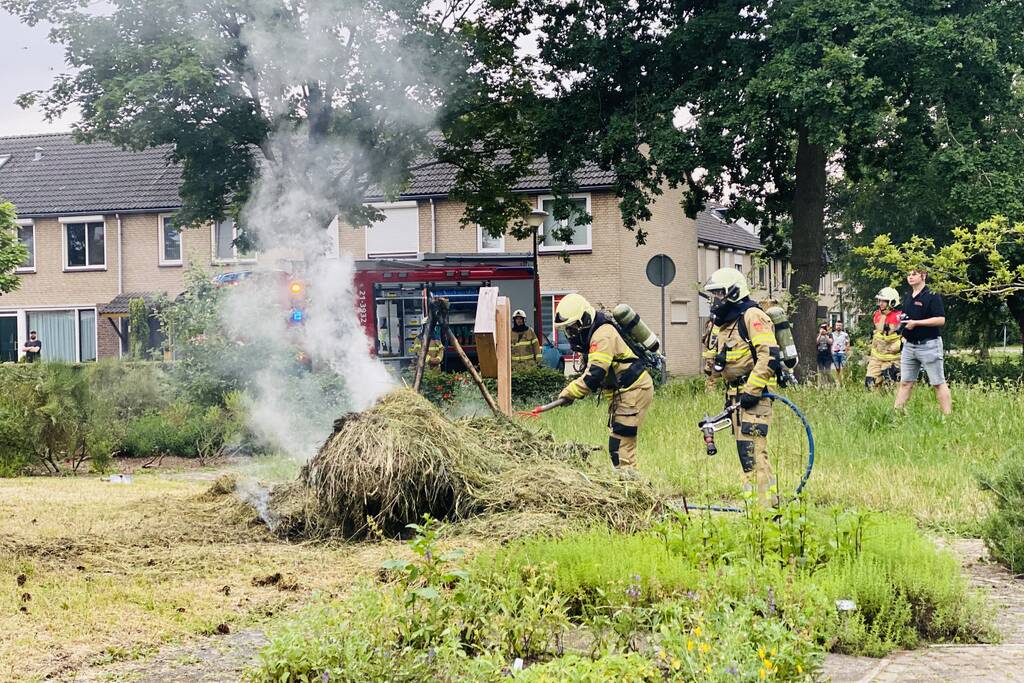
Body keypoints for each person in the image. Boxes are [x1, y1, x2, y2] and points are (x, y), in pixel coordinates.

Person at [553, 293, 655, 472]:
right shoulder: (594, 333)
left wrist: (570, 392)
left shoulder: (602, 336)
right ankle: (625, 482)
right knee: (617, 442)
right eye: (567, 330)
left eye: (572, 328)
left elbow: (595, 374)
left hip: (633, 390)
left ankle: (631, 486)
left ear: (584, 319)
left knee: (622, 444)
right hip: (624, 393)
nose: (571, 334)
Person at [704, 268, 780, 506]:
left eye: (718, 293)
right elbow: (716, 360)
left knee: (753, 453)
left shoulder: (752, 316)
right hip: (736, 396)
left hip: (754, 397)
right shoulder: (726, 322)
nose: (714, 299)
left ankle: (765, 509)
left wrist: (752, 390)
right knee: (744, 453)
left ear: (733, 293)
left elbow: (769, 356)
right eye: (713, 294)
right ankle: (757, 506)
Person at [895, 268, 951, 414]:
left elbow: (941, 319)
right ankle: (896, 415)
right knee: (905, 382)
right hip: (909, 346)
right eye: (908, 274)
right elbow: (907, 319)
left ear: (923, 276)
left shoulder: (932, 295)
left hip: (929, 344)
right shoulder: (908, 297)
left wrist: (917, 323)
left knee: (938, 383)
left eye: (914, 274)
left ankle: (948, 416)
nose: (910, 277)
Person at [865, 287, 903, 389]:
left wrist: (899, 344)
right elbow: (876, 333)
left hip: (893, 358)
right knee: (869, 384)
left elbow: (907, 335)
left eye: (884, 301)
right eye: (880, 301)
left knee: (890, 385)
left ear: (892, 302)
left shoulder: (900, 317)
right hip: (876, 357)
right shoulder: (877, 315)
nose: (880, 303)